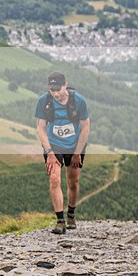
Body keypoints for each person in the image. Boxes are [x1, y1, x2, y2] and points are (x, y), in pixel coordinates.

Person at [35, 71, 91, 234]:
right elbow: (41, 127)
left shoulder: (78, 101)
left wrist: (77, 153)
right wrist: (49, 151)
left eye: (58, 89)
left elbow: (85, 127)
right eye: (52, 90)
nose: (56, 93)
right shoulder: (44, 101)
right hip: (54, 145)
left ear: (65, 85)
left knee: (73, 182)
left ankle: (71, 215)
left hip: (75, 145)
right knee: (54, 179)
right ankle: (60, 221)